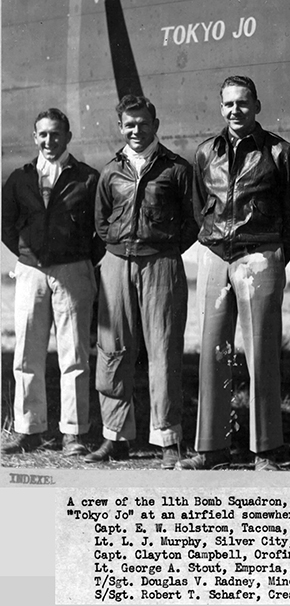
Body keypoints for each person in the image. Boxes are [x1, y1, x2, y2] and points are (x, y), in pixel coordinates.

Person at [176, 75, 290, 470]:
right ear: (221, 108)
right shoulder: (205, 153)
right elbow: (201, 207)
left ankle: (266, 450)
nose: (236, 110)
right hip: (215, 257)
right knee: (213, 353)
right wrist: (215, 240)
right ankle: (211, 449)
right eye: (229, 104)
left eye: (243, 103)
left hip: (259, 257)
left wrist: (272, 251)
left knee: (262, 355)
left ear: (257, 106)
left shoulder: (280, 153)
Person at [86, 95, 197, 468]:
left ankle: (168, 440)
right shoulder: (109, 172)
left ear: (156, 124)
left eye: (142, 123)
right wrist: (120, 249)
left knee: (164, 351)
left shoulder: (177, 169)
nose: (136, 130)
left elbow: (192, 221)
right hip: (117, 263)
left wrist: (162, 248)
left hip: (161, 264)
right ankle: (115, 437)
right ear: (121, 127)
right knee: (113, 350)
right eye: (129, 125)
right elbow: (101, 222)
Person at [2, 109, 102, 457]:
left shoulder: (88, 178)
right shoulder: (19, 178)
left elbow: (100, 231)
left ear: (68, 137)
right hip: (31, 272)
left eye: (56, 134)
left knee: (74, 356)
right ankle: (28, 430)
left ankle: (74, 433)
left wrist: (76, 257)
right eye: (43, 134)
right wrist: (30, 255)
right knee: (27, 354)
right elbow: (6, 225)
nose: (49, 141)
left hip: (73, 272)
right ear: (34, 137)